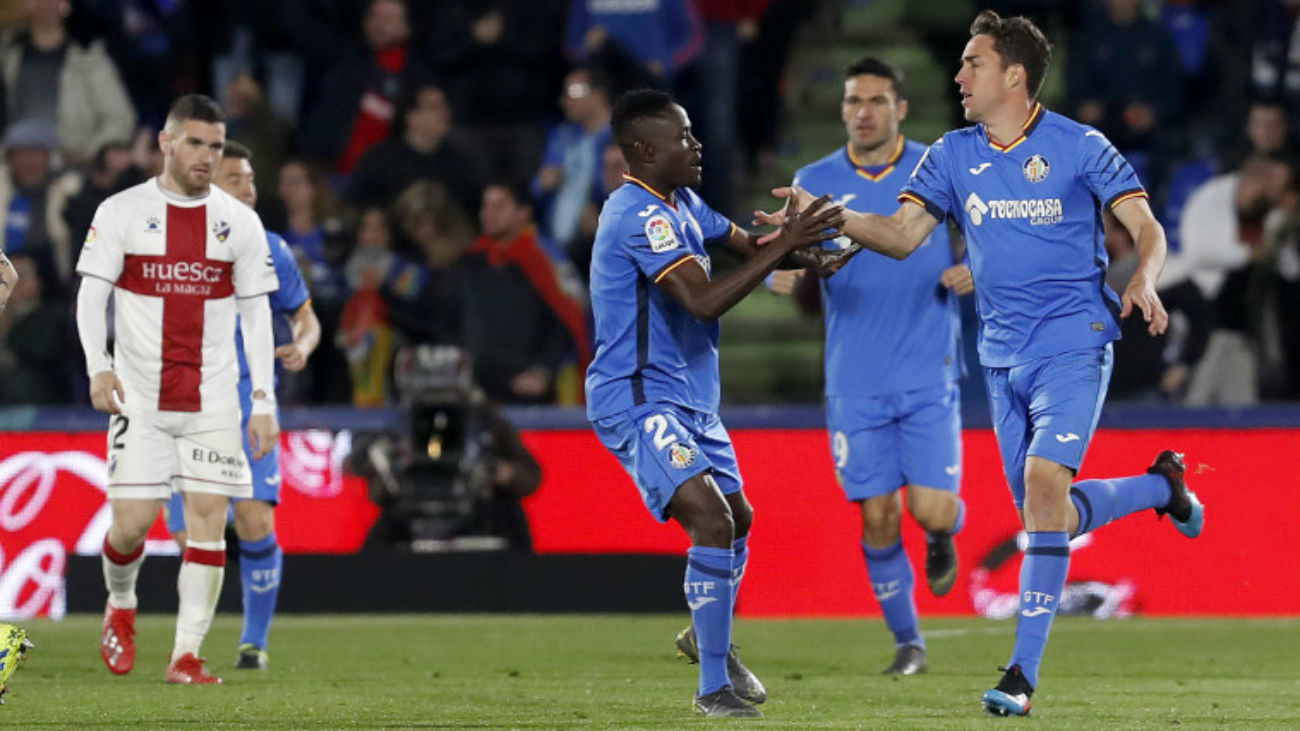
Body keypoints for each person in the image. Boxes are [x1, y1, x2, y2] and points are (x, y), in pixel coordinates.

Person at [764, 11, 1205, 717]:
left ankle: (1020, 676)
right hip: (1000, 358)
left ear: (1013, 75)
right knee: (1047, 512)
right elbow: (901, 236)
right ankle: (1162, 487)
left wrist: (1145, 278)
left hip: (1074, 341)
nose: (959, 75)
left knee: (1043, 487)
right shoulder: (950, 154)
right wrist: (833, 215)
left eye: (973, 63)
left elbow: (1145, 225)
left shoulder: (1079, 145)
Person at [585, 88, 846, 719]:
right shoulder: (638, 216)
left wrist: (809, 248)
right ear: (646, 151)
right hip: (639, 397)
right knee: (712, 520)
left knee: (739, 519)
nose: (696, 145)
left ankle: (709, 639)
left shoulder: (682, 204)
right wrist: (785, 248)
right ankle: (712, 688)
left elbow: (749, 247)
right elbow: (702, 301)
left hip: (690, 399)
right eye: (683, 136)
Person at [768, 57, 971, 676]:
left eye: (877, 100)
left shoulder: (936, 167)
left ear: (900, 109)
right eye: (854, 100)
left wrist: (976, 268)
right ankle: (909, 643)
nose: (863, 112)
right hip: (854, 379)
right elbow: (797, 263)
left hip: (927, 367)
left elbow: (989, 232)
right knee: (878, 516)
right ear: (842, 110)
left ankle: (941, 535)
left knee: (930, 510)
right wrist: (783, 270)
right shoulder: (814, 180)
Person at [75, 94, 280, 685]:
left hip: (213, 399)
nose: (206, 156)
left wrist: (262, 401)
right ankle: (121, 602)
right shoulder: (122, 211)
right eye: (194, 143)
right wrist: (98, 367)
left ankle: (185, 655)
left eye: (215, 146)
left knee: (209, 520)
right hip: (139, 398)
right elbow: (91, 295)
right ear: (166, 143)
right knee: (132, 526)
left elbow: (257, 316)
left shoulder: (240, 222)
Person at [162, 140, 320, 670]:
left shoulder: (271, 249)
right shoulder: (172, 248)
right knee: (189, 535)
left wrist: (303, 345)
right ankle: (190, 647)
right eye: (235, 178)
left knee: (254, 520)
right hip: (186, 410)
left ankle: (254, 641)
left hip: (251, 407)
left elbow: (306, 317)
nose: (248, 188)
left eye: (250, 178)